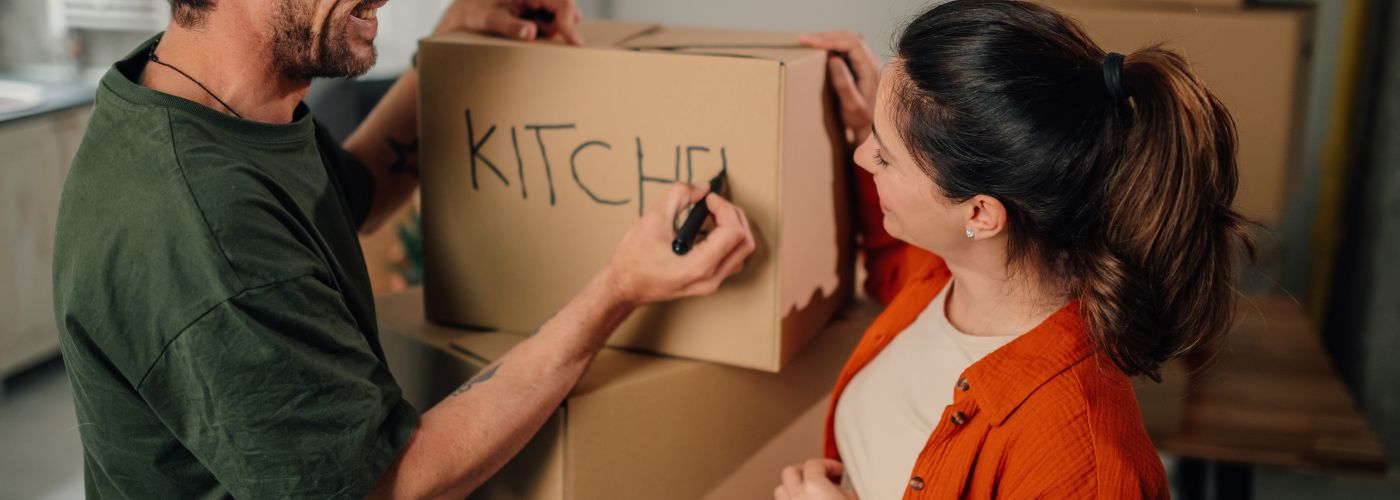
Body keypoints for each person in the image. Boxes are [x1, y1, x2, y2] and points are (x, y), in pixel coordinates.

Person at [51, 0, 755, 498]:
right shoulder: (201, 220)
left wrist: (450, 49)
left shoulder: (222, 106)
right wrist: (618, 290)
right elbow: (391, 487)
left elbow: (351, 193)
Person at [777, 1, 1254, 498]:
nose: (860, 155)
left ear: (980, 214)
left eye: (884, 155)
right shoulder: (951, 271)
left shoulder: (1086, 466)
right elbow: (892, 263)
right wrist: (876, 121)